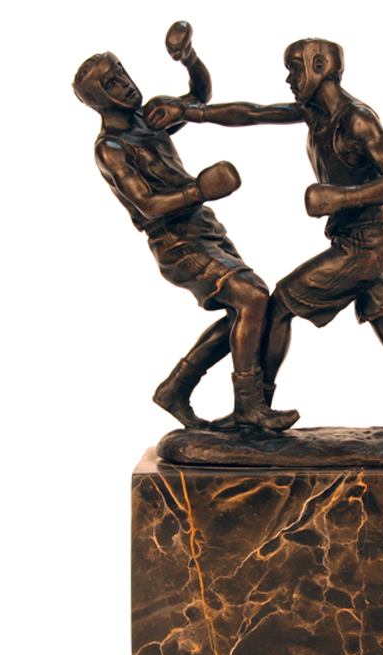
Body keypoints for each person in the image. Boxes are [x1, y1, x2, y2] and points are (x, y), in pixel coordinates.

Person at [144, 38, 383, 430]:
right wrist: (191, 112)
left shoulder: (356, 119)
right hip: (373, 246)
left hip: (365, 248)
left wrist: (341, 196)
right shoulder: (315, 112)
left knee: (278, 305)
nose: (289, 79)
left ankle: (254, 411)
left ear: (319, 66)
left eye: (294, 69)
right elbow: (254, 112)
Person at [72, 49, 299, 431]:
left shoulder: (147, 118)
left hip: (204, 228)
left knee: (245, 311)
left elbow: (198, 97)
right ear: (97, 99)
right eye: (112, 83)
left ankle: (175, 389)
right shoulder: (110, 148)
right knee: (253, 297)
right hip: (174, 241)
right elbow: (147, 204)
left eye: (122, 73)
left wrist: (189, 57)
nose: (125, 84)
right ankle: (249, 406)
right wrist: (200, 190)